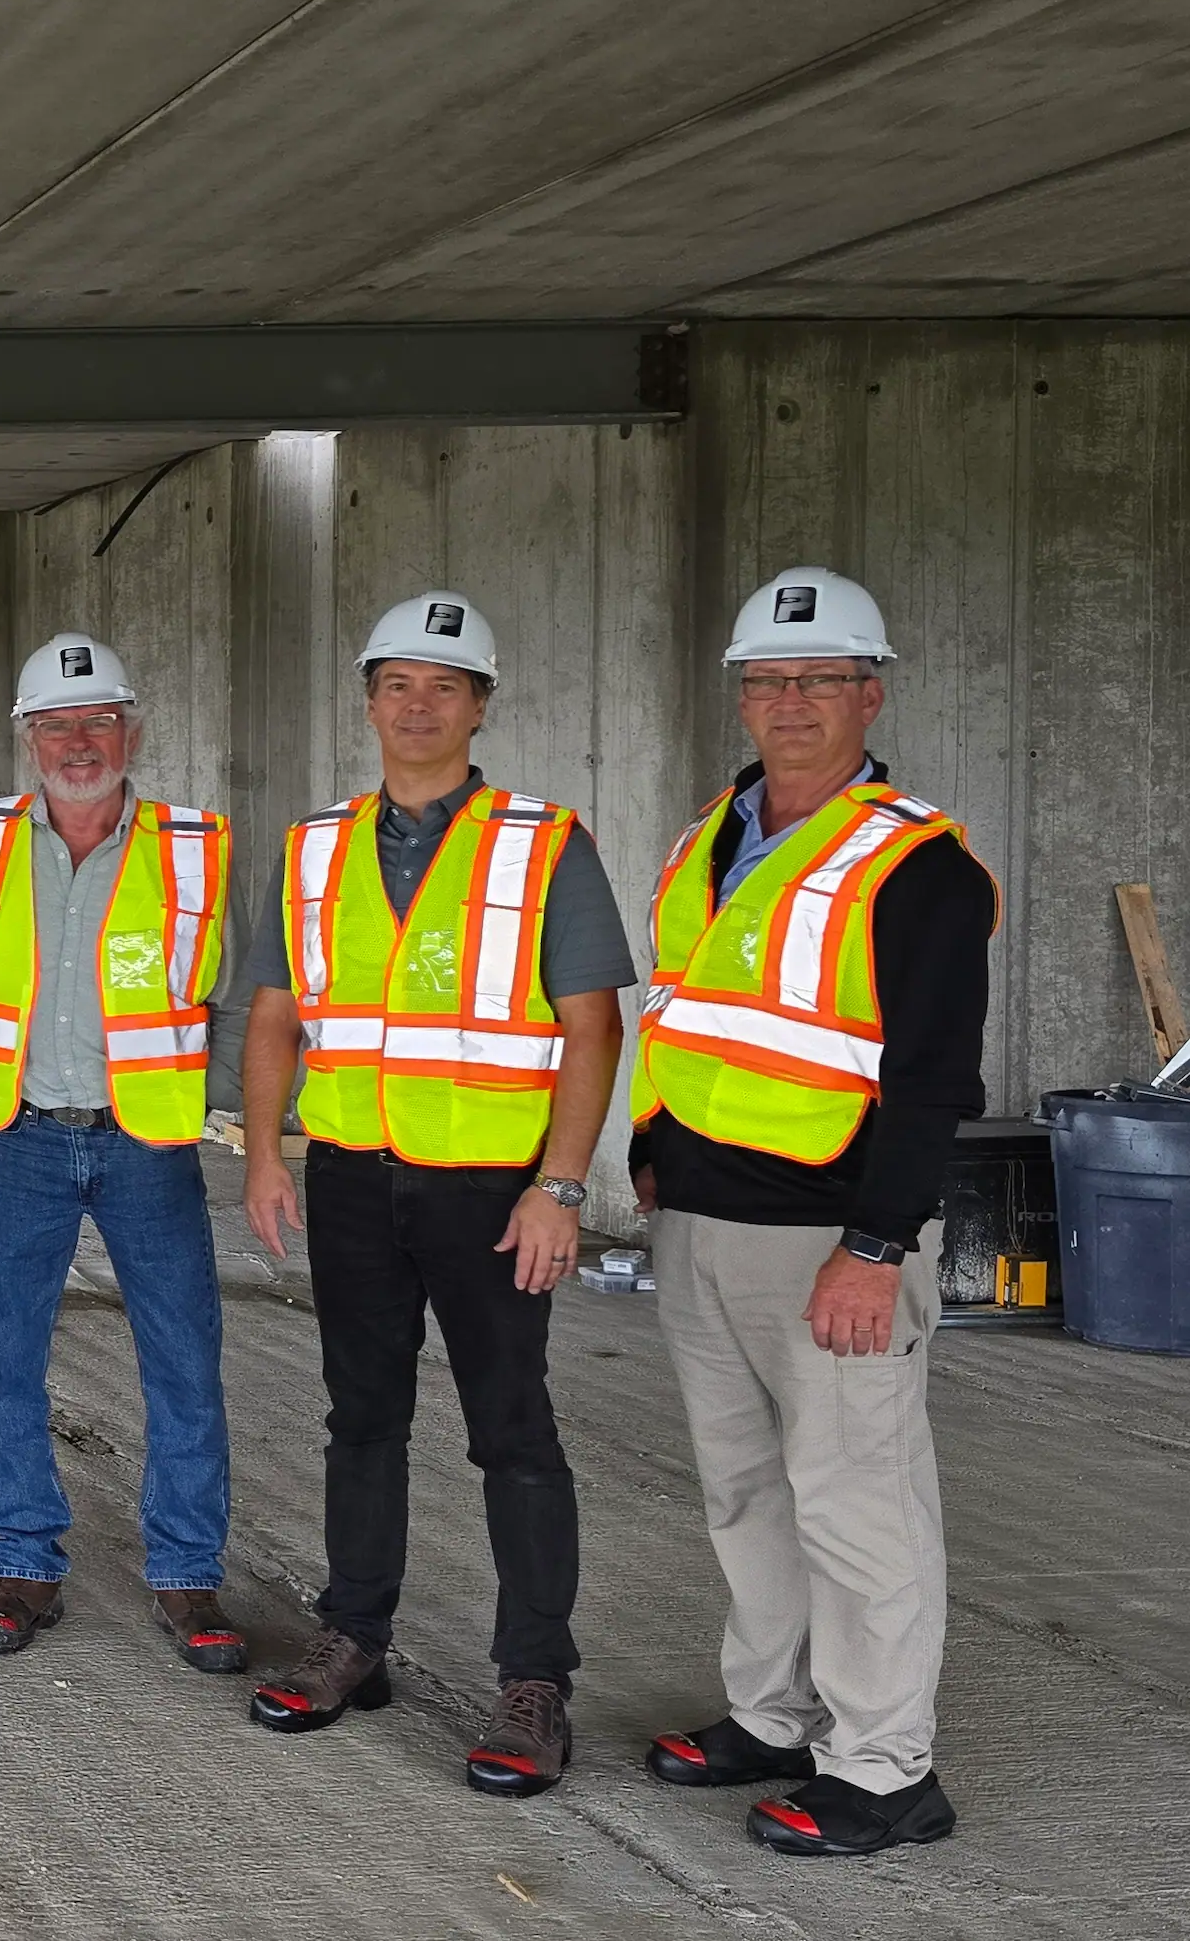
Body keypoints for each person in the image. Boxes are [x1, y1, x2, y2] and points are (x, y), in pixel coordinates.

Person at [238, 590, 631, 1799]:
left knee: (512, 1432)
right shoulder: (311, 849)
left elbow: (592, 1025)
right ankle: (354, 1637)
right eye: (396, 684)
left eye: (443, 687)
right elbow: (270, 1019)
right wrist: (263, 1155)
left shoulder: (542, 840)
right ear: (366, 701)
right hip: (353, 1179)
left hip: (491, 1192)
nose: (417, 706)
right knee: (361, 1420)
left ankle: (533, 1684)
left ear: (480, 706)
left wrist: (560, 1187)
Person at [630, 567, 992, 1858]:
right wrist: (649, 1144)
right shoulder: (711, 835)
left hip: (835, 1241)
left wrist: (878, 1244)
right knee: (746, 1493)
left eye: (819, 678)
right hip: (703, 1224)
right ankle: (776, 1714)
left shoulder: (917, 865)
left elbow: (933, 1080)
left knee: (857, 1503)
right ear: (743, 694)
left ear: (868, 692)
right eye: (769, 678)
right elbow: (686, 1009)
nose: (789, 701)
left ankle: (887, 1767)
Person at [0, 632, 242, 1676]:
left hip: (147, 1143)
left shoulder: (193, 845)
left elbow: (248, 987)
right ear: (25, 736)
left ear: (132, 730)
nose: (78, 741)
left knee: (182, 1361)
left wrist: (210, 1094)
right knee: (5, 1360)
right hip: (25, 1138)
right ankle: (21, 1564)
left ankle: (187, 1575)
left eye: (97, 722)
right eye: (55, 724)